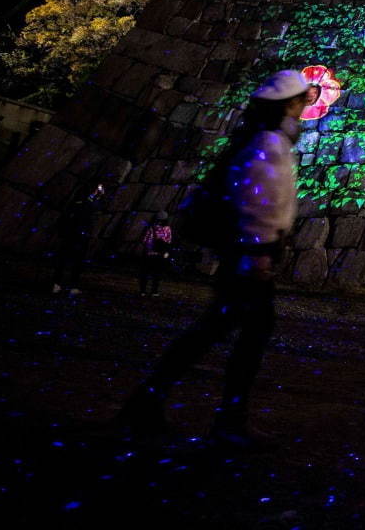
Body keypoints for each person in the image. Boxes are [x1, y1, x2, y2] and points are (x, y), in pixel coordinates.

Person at [118, 69, 314, 448]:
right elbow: (259, 202)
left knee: (221, 332)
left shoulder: (258, 138)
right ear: (289, 104)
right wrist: (259, 255)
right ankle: (221, 418)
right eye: (303, 99)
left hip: (244, 254)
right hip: (250, 258)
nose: (305, 106)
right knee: (235, 336)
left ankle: (160, 404)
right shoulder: (269, 144)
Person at [51, 183, 105, 295]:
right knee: (75, 261)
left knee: (64, 260)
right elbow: (94, 208)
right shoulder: (86, 202)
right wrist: (98, 196)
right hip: (79, 235)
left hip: (70, 234)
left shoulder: (75, 202)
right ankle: (70, 286)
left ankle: (57, 284)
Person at [138, 211, 174, 296]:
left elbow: (145, 240)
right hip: (160, 254)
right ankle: (154, 291)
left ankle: (143, 291)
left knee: (145, 273)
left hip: (149, 253)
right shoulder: (168, 229)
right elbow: (168, 241)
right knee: (157, 274)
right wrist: (166, 252)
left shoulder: (151, 227)